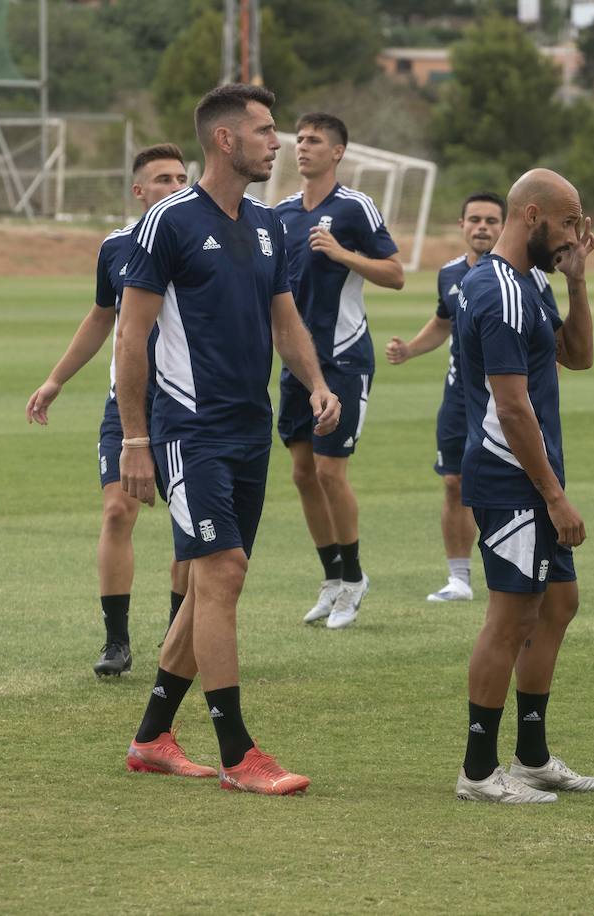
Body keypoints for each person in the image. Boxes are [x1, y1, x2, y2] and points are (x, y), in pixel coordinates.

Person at [117, 83, 341, 794]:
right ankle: (239, 753)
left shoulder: (270, 225)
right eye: (266, 131)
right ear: (225, 140)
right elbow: (131, 334)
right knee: (223, 575)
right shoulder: (170, 223)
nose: (276, 142)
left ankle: (152, 736)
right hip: (189, 428)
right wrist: (134, 440)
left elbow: (286, 319)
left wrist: (316, 383)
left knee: (216, 583)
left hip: (251, 430)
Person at [453, 168, 594, 803]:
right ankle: (479, 771)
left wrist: (576, 281)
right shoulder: (498, 292)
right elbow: (512, 409)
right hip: (511, 478)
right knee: (511, 616)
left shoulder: (532, 282)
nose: (577, 235)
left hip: (533, 474)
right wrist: (553, 495)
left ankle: (533, 756)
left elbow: (578, 355)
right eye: (570, 222)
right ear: (534, 215)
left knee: (558, 604)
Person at [25, 143, 192, 677]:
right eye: (162, 178)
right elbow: (103, 318)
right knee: (117, 511)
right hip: (129, 402)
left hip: (189, 403)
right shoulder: (117, 246)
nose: (174, 185)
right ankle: (116, 642)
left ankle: (178, 634)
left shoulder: (205, 241)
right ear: (138, 191)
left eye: (181, 177)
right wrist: (56, 380)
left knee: (189, 526)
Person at [273, 113, 404, 630]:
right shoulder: (280, 213)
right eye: (299, 140)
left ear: (338, 152)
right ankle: (330, 578)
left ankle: (353, 579)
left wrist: (342, 253)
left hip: (345, 355)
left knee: (331, 471)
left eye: (315, 141)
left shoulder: (354, 207)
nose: (303, 148)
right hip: (297, 362)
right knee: (303, 473)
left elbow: (395, 273)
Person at [384, 192, 508, 603]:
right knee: (454, 483)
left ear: (503, 227)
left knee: (504, 485)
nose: (482, 227)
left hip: (504, 398)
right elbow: (443, 322)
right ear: (461, 224)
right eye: (475, 219)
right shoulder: (450, 274)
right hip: (458, 397)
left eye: (492, 220)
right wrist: (410, 350)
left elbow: (549, 333)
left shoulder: (521, 275)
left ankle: (511, 573)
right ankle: (459, 580)